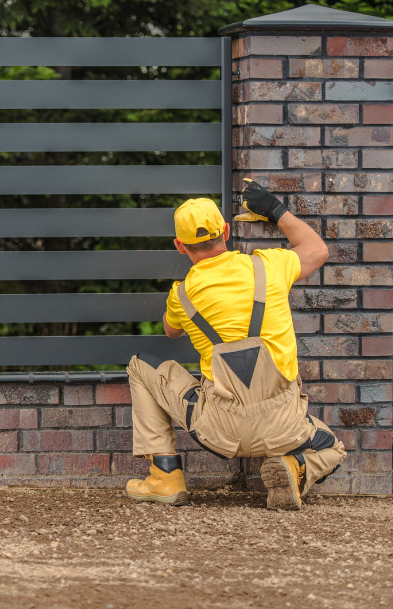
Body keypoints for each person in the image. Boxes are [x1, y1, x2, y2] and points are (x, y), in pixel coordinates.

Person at [125, 179, 346, 510]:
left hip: (219, 431)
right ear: (226, 232)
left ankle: (165, 475)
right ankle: (295, 466)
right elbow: (318, 250)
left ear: (179, 246)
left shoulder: (182, 294)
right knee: (333, 449)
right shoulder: (269, 266)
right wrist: (275, 211)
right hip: (284, 429)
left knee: (140, 365)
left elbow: (171, 332)